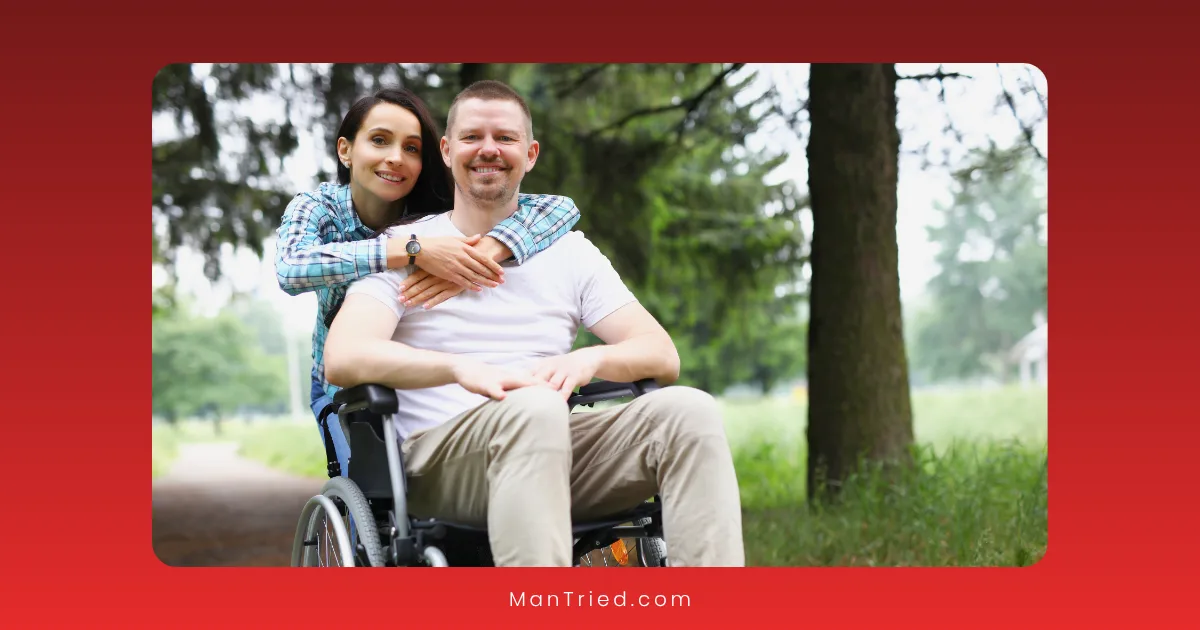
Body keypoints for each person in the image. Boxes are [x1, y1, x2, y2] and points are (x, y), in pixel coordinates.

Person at [323, 80, 744, 567]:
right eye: (471, 137)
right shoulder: (408, 245)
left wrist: (592, 357)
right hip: (441, 461)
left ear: (530, 153)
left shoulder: (570, 251)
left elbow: (660, 354)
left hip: (554, 451)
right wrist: (460, 369)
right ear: (445, 150)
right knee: (535, 409)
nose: (488, 150)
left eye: (504, 138)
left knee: (690, 412)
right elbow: (344, 355)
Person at [274, 87, 581, 477]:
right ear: (346, 150)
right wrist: (411, 250)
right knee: (369, 491)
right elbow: (291, 268)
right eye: (380, 141)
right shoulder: (319, 208)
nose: (395, 158)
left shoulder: (436, 208)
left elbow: (561, 208)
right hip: (345, 382)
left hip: (426, 380)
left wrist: (485, 253)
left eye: (412, 148)